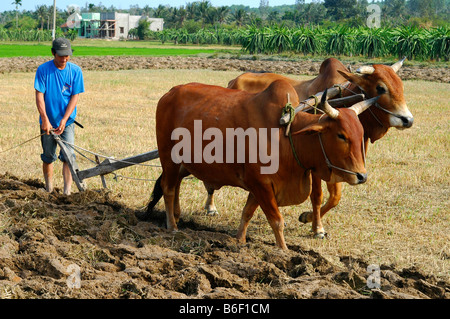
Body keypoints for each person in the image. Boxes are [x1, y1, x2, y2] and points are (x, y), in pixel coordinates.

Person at [34, 37, 85, 195]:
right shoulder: (43, 70)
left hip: (67, 122)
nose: (64, 59)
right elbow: (39, 95)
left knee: (68, 157)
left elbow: (74, 97)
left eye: (67, 55)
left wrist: (64, 120)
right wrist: (45, 119)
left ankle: (67, 192)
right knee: (48, 156)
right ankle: (49, 188)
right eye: (61, 55)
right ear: (53, 53)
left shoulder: (75, 71)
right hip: (47, 122)